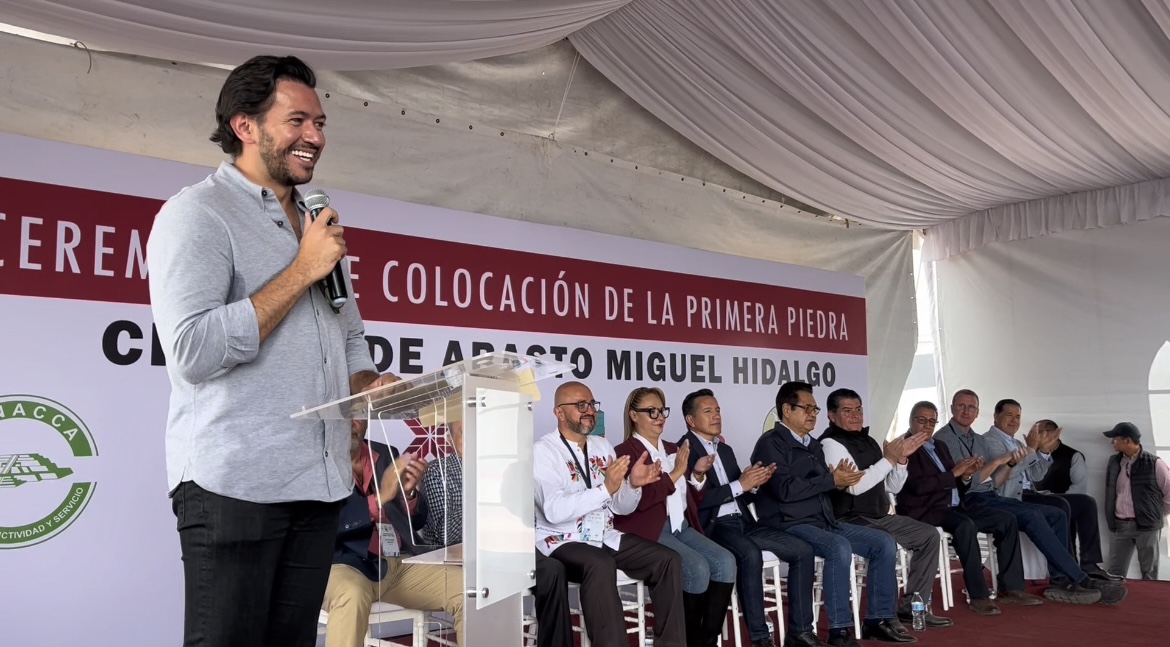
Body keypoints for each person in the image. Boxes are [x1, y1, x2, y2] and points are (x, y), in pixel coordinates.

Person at [148, 55, 399, 646]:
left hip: (317, 484)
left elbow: (349, 331)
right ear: (245, 125)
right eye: (298, 121)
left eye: (321, 123)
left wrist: (365, 383)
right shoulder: (197, 214)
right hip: (235, 484)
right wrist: (302, 269)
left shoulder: (316, 220)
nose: (316, 136)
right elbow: (192, 349)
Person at [751, 382, 914, 647]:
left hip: (822, 521)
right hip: (788, 523)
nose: (813, 414)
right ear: (787, 410)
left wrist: (840, 480)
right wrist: (831, 480)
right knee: (839, 547)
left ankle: (878, 619)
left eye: (815, 409)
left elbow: (825, 483)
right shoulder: (771, 443)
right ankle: (839, 630)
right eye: (807, 408)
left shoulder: (813, 445)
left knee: (883, 542)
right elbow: (784, 490)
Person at [934, 390, 1125, 605]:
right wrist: (1009, 459)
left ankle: (1063, 579)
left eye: (972, 407)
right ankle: (1080, 578)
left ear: (978, 412)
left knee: (1056, 511)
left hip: (990, 495)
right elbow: (968, 481)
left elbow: (998, 480)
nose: (966, 411)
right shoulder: (945, 439)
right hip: (968, 500)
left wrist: (1029, 455)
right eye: (961, 406)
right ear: (951, 408)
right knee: (1032, 514)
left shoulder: (978, 440)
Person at [534, 381, 685, 647]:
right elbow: (553, 510)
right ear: (559, 412)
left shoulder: (602, 447)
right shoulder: (543, 451)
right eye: (581, 405)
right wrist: (606, 489)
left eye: (592, 404)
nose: (589, 410)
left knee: (668, 560)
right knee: (600, 563)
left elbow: (618, 506)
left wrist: (633, 486)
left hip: (603, 534)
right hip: (562, 539)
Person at [679, 388, 827, 647]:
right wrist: (740, 486)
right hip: (714, 527)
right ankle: (760, 638)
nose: (716, 416)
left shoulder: (724, 450)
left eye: (718, 410)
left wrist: (756, 482)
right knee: (749, 554)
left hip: (745, 522)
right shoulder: (683, 451)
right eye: (708, 411)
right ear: (691, 420)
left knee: (802, 551)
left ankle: (800, 632)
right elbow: (693, 501)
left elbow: (743, 494)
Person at [419, 419, 572, 647]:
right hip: (461, 554)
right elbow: (448, 533)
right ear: (450, 440)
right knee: (490, 576)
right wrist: (489, 497)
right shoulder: (437, 471)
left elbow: (527, 522)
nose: (473, 436)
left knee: (552, 569)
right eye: (463, 431)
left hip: (506, 547)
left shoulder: (508, 468)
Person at [322, 420, 465, 646]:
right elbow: (318, 523)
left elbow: (414, 519)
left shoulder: (385, 453)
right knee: (351, 595)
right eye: (343, 416)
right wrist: (379, 499)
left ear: (367, 421)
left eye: (358, 416)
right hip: (342, 565)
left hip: (398, 564)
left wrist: (407, 496)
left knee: (469, 589)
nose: (351, 424)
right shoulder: (317, 462)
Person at [613, 387, 737, 647]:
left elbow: (691, 498)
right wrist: (677, 473)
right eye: (652, 411)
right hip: (649, 530)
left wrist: (697, 476)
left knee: (726, 562)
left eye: (662, 411)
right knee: (698, 569)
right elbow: (638, 503)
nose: (660, 417)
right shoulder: (625, 451)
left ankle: (705, 640)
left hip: (681, 525)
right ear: (634, 415)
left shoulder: (673, 448)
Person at [819, 389, 951, 629]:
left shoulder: (868, 440)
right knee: (883, 542)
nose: (856, 416)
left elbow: (891, 485)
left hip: (878, 514)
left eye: (858, 409)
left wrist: (900, 462)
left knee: (930, 535)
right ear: (831, 415)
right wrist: (888, 459)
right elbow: (855, 487)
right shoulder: (829, 444)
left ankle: (912, 606)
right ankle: (880, 618)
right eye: (847, 411)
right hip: (847, 519)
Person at [895, 401, 1039, 616]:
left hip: (954, 505)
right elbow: (917, 487)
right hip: (924, 509)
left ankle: (1011, 588)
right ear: (911, 420)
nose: (927, 426)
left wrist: (966, 475)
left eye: (932, 421)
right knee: (965, 526)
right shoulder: (904, 447)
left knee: (1006, 520)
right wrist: (953, 474)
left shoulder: (939, 446)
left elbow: (956, 485)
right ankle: (979, 595)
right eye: (921, 420)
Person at [1014, 418, 1121, 581]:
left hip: (1057, 498)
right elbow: (1030, 478)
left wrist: (1053, 496)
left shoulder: (1073, 456)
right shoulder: (1028, 451)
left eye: (1038, 433)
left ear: (1051, 435)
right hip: (1036, 498)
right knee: (1061, 506)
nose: (1033, 436)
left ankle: (1089, 564)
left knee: (1087, 503)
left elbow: (1078, 487)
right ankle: (1068, 567)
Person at [1104, 422, 1170, 580]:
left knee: (1149, 572)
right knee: (1114, 572)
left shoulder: (1155, 463)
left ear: (1127, 440)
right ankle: (1114, 599)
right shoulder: (1114, 462)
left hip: (1147, 527)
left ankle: (1149, 603)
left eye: (1115, 438)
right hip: (1120, 525)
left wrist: (1157, 514)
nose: (1112, 442)